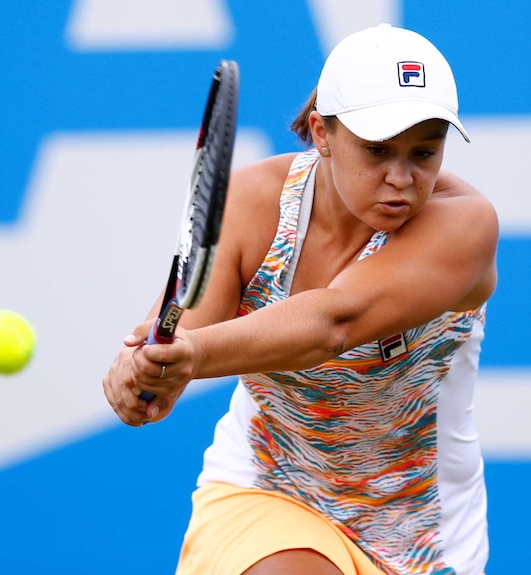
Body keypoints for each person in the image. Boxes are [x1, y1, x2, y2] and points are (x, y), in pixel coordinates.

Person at [103, 23, 498, 575]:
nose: (402, 178)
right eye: (378, 150)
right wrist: (147, 367)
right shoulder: (256, 203)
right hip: (267, 488)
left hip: (422, 541)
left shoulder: (465, 227)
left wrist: (190, 355)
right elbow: (187, 328)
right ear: (321, 133)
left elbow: (333, 322)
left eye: (424, 152)